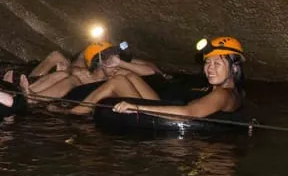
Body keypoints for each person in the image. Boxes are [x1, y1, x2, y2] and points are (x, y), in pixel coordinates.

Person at [68, 36, 245, 117]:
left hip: (166, 121)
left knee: (117, 81)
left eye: (217, 64)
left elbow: (189, 112)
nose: (210, 69)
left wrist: (136, 107)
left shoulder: (223, 94)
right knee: (126, 76)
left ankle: (75, 112)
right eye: (208, 63)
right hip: (168, 107)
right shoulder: (223, 90)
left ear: (234, 68)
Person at [24, 41, 157, 101]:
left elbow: (150, 71)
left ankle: (33, 97)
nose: (113, 63)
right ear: (98, 63)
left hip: (92, 97)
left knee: (71, 79)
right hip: (81, 90)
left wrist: (121, 63)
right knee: (61, 74)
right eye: (109, 60)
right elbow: (74, 68)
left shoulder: (118, 71)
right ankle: (28, 92)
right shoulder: (81, 72)